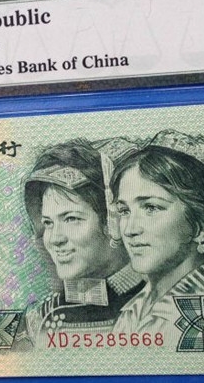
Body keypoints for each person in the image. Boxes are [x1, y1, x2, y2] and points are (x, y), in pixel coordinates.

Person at [17, 138, 145, 346]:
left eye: (71, 219)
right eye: (48, 223)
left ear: (113, 221)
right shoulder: (39, 319)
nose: (55, 239)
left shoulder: (161, 305)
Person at [110, 131, 204, 344]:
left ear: (201, 228)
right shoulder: (133, 310)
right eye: (124, 211)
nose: (129, 229)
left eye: (151, 207)